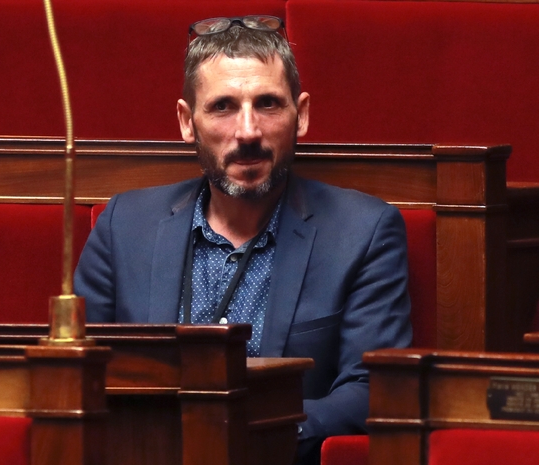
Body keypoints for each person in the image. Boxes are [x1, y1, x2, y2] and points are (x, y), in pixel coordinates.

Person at [74, 15, 412, 465]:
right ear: (186, 122)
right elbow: (80, 373)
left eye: (268, 104)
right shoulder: (122, 225)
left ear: (302, 115)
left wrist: (245, 434)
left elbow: (373, 389)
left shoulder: (365, 231)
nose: (248, 131)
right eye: (223, 107)